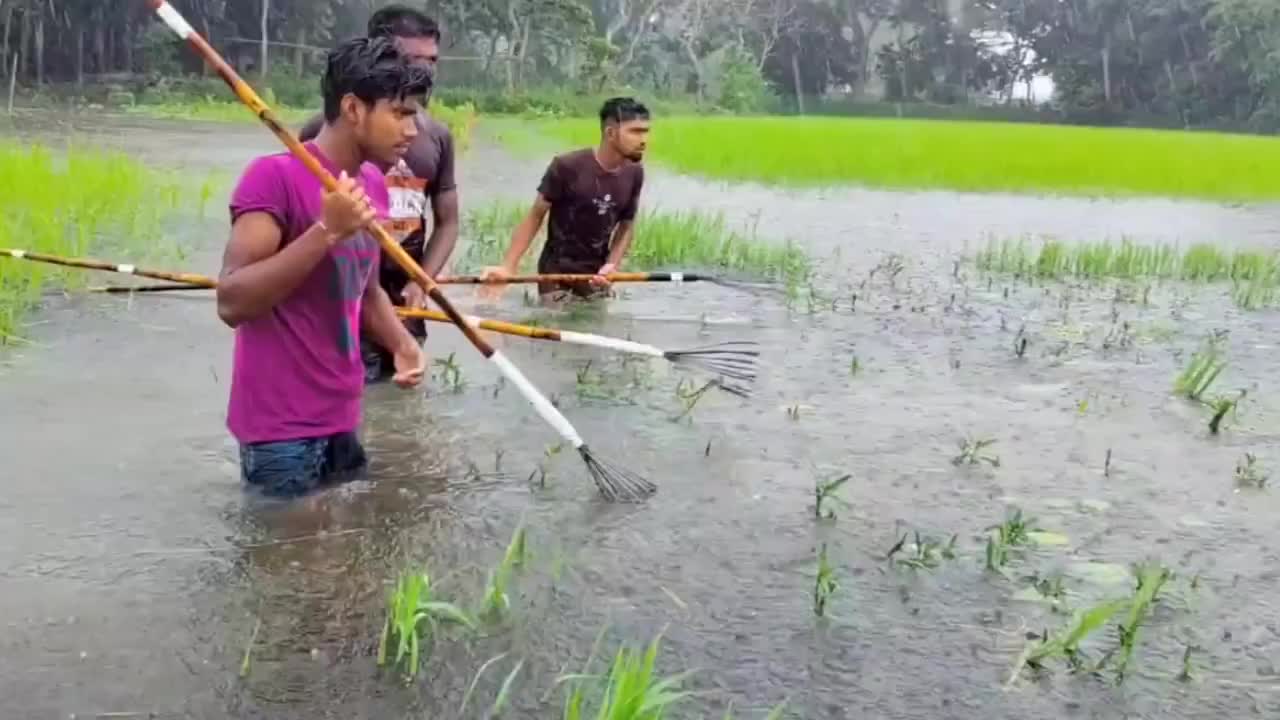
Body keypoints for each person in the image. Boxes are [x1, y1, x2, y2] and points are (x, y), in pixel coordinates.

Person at [219, 36, 430, 499]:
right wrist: (325, 231)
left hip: (342, 413)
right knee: (285, 563)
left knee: (341, 559)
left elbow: (365, 288)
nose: (413, 130)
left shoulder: (372, 182)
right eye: (400, 113)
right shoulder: (274, 176)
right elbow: (232, 301)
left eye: (414, 114)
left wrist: (402, 345)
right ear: (353, 109)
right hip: (280, 432)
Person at [299, 5, 458, 384]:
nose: (426, 70)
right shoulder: (325, 134)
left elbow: (448, 220)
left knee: (399, 415)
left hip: (404, 304)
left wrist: (423, 281)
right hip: (343, 305)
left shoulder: (436, 137)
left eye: (432, 60)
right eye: (412, 58)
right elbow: (305, 224)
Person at [480, 97, 650, 303]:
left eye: (645, 131)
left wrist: (611, 266)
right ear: (610, 133)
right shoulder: (567, 167)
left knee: (594, 325)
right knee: (556, 326)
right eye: (635, 131)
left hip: (596, 275)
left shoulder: (634, 173)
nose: (643, 140)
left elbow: (626, 225)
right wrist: (508, 266)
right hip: (556, 274)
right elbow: (535, 216)